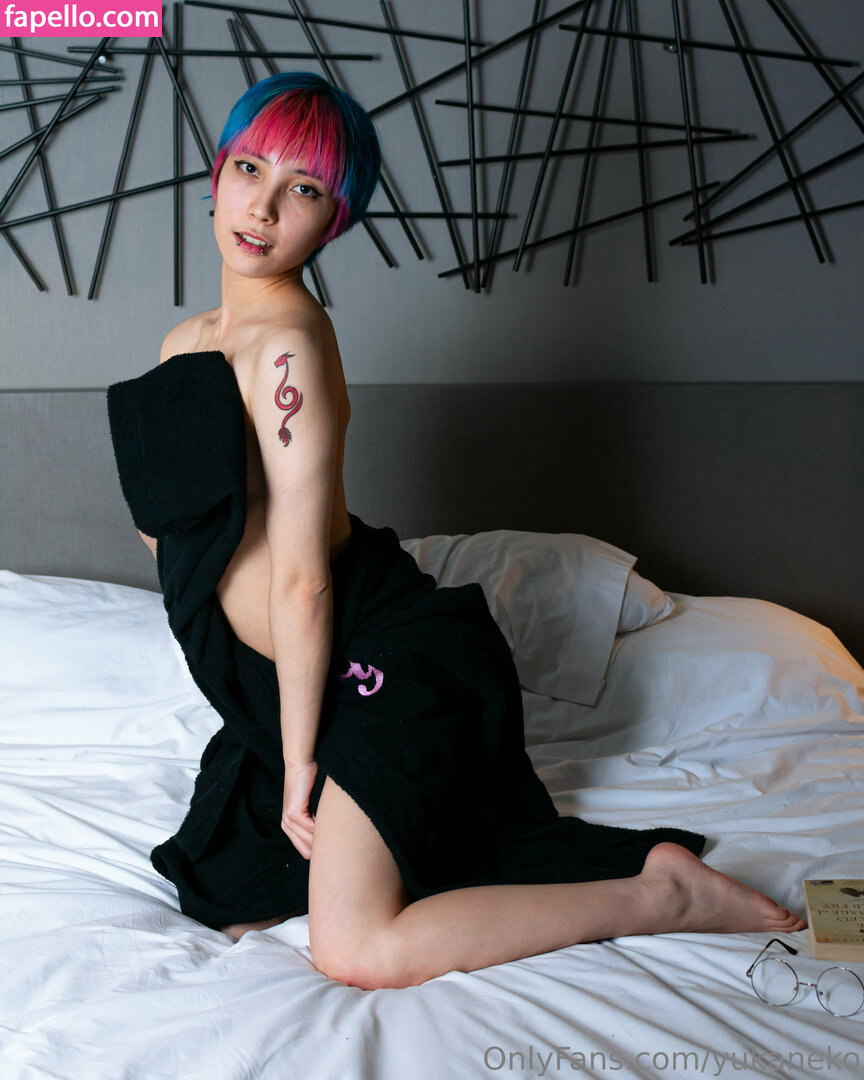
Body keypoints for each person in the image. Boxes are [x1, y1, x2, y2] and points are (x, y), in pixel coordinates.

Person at [107, 72, 804, 991]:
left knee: (354, 948)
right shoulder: (183, 347)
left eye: (303, 188)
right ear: (218, 173)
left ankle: (660, 896)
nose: (264, 207)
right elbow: (180, 541)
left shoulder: (287, 350)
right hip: (279, 680)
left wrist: (302, 759)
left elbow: (302, 581)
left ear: (336, 218)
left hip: (377, 660)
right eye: (250, 169)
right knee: (222, 893)